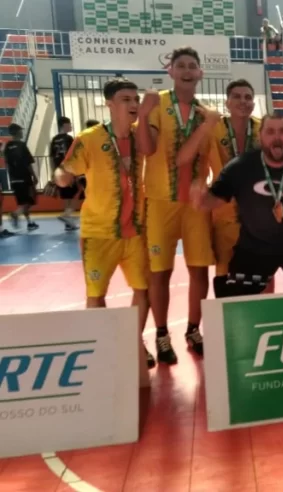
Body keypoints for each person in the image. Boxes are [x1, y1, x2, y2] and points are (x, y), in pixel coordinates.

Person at [54, 78, 154, 368]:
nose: (133, 104)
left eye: (135, 99)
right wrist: (61, 176)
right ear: (109, 104)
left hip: (136, 231)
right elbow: (66, 170)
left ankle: (134, 343)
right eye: (126, 99)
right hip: (99, 233)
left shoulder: (141, 136)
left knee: (142, 290)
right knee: (96, 295)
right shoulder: (90, 138)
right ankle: (100, 348)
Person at [191, 113, 283, 297]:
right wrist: (201, 199)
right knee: (234, 298)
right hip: (254, 245)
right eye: (270, 132)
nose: (277, 138)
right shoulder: (240, 167)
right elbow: (215, 199)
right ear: (260, 136)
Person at [136, 46, 217, 364]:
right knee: (160, 272)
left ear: (200, 73)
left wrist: (205, 183)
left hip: (194, 205)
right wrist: (143, 115)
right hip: (160, 201)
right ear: (170, 70)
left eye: (192, 66)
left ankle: (193, 330)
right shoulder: (158, 105)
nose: (186, 70)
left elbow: (208, 160)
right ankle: (161, 334)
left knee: (200, 270)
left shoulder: (206, 113)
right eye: (180, 65)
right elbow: (146, 148)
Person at [208, 79, 261, 298]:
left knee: (258, 269)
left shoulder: (262, 128)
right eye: (237, 96)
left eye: (248, 97)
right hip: (224, 210)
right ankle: (223, 319)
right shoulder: (213, 128)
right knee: (224, 268)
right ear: (227, 102)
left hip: (257, 213)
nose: (243, 101)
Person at [4, 124, 39, 232]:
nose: (22, 132)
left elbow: (6, 164)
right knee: (30, 200)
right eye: (21, 130)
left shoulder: (7, 147)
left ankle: (29, 223)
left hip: (14, 179)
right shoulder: (22, 145)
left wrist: (11, 177)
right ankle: (15, 214)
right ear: (18, 132)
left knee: (22, 202)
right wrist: (34, 175)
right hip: (24, 177)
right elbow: (28, 163)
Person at [49, 116, 79, 231]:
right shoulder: (69, 139)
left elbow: (51, 157)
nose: (71, 126)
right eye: (69, 124)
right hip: (68, 170)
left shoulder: (54, 140)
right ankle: (67, 214)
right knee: (78, 193)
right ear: (64, 125)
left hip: (59, 171)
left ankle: (68, 222)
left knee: (66, 196)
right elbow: (72, 156)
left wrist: (53, 172)